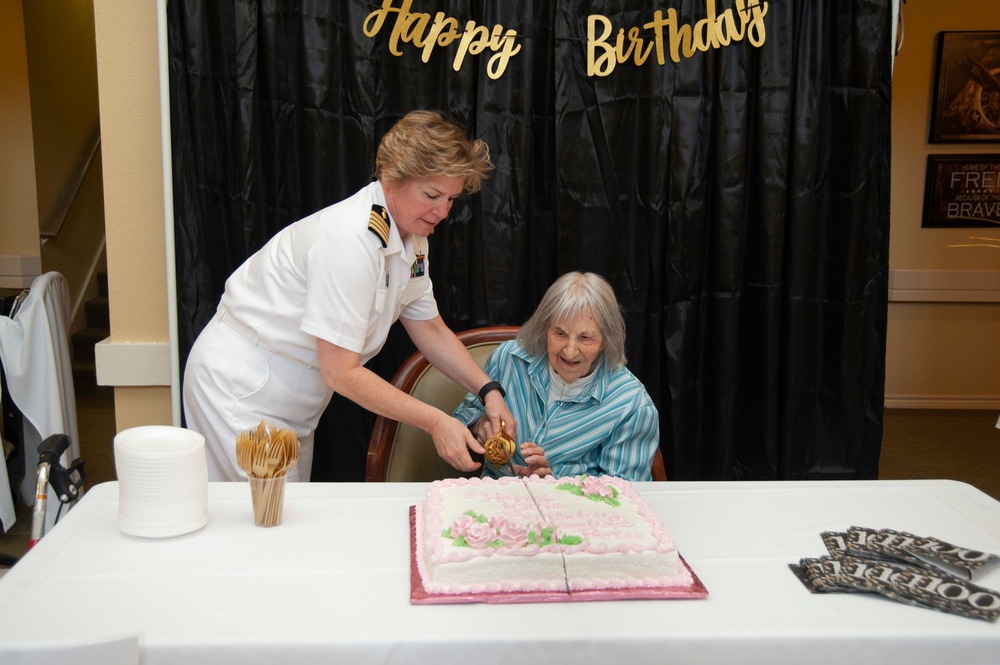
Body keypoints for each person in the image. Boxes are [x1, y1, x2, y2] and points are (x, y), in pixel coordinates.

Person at [183, 110, 517, 481]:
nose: (442, 212)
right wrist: (435, 421)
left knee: (281, 522)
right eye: (432, 195)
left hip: (293, 399)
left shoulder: (412, 235)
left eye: (452, 199)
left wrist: (489, 390)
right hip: (242, 388)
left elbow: (430, 329)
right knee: (264, 526)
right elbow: (341, 371)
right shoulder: (350, 241)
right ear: (392, 176)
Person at [453, 271, 659, 481]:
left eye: (585, 337)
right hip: (493, 499)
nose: (569, 351)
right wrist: (479, 425)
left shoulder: (631, 405)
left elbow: (624, 493)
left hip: (575, 512)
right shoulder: (508, 359)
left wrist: (555, 479)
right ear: (545, 328)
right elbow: (464, 415)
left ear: (606, 340)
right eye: (560, 334)